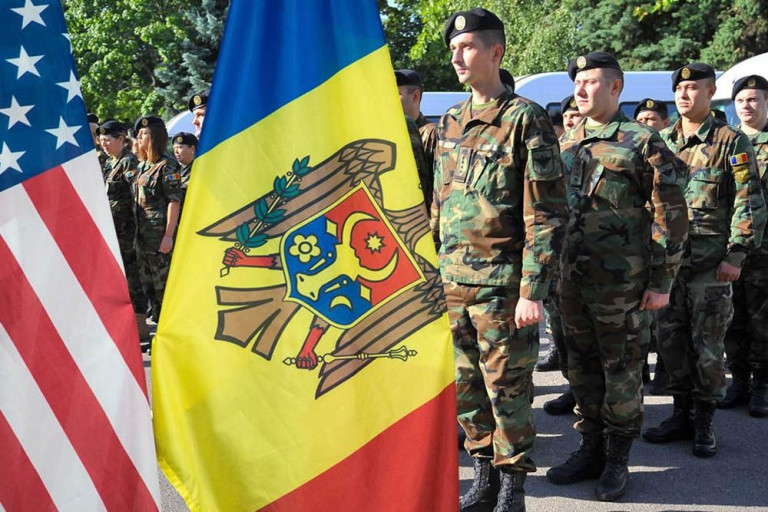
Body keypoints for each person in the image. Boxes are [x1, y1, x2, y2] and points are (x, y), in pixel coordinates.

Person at [432, 9, 567, 511]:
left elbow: (546, 211)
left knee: (507, 391)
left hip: (502, 287)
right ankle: (484, 476)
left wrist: (533, 289)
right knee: (466, 389)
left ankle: (513, 487)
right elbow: (439, 205)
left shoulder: (524, 118)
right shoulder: (449, 120)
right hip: (452, 284)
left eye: (467, 47)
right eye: (453, 49)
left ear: (495, 52)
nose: (457, 57)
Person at [547, 52, 688, 502]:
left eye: (590, 81)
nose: (580, 89)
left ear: (615, 87)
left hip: (622, 285)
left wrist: (662, 281)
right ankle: (590, 448)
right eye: (577, 82)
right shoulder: (567, 140)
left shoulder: (642, 141)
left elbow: (671, 216)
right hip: (570, 282)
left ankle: (617, 458)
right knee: (580, 368)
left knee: (622, 372)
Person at [643, 63, 765, 457]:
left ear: (711, 92)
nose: (684, 94)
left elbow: (748, 200)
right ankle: (681, 413)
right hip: (668, 267)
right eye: (679, 89)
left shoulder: (730, 141)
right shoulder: (660, 140)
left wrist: (737, 254)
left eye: (693, 88)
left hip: (710, 268)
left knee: (708, 346)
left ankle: (704, 420)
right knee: (671, 342)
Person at [720, 75, 768, 417]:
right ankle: (738, 380)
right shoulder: (729, 141)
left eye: (753, 99)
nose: (746, 106)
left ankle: (762, 383)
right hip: (730, 246)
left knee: (762, 318)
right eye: (740, 100)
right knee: (732, 317)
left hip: (765, 250)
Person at [98, 120, 150, 343]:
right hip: (113, 231)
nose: (104, 144)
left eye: (108, 140)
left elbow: (135, 197)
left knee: (132, 277)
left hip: (127, 232)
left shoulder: (128, 162)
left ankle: (140, 325)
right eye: (101, 141)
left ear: (121, 139)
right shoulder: (109, 163)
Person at [634, 97, 672, 393]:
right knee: (642, 322)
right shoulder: (631, 149)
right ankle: (641, 370)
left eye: (651, 119)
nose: (646, 124)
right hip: (638, 249)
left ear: (664, 122)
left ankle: (665, 371)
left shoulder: (663, 152)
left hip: (667, 248)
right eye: (641, 120)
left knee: (667, 321)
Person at [133, 115, 183, 326]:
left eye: (144, 134)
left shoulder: (167, 166)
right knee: (149, 286)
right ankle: (159, 326)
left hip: (159, 235)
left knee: (164, 286)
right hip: (142, 235)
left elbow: (174, 201)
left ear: (154, 136)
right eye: (139, 134)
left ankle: (171, 329)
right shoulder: (143, 165)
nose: (139, 137)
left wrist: (169, 235)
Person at [395, 69, 437, 208]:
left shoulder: (431, 133)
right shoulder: (388, 133)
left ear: (415, 96)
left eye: (395, 94)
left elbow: (438, 188)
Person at [172, 131, 198, 221]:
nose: (176, 151)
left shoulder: (198, 170)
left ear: (192, 149)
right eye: (174, 148)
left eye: (180, 147)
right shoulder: (175, 170)